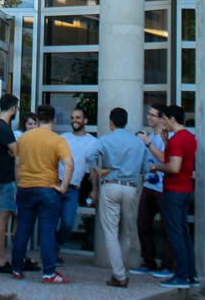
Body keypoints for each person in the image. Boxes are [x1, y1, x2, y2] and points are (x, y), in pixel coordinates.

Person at [11, 104, 73, 284]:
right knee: (47, 231)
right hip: (48, 188)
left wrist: (18, 185)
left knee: (23, 228)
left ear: (37, 119)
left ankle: (16, 268)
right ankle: (49, 273)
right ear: (54, 120)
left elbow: (17, 163)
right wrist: (63, 187)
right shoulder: (58, 140)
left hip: (25, 187)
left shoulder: (24, 138)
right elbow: (69, 164)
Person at [142, 103, 197, 289]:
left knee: (175, 233)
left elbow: (173, 167)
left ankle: (180, 276)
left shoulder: (177, 139)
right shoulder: (189, 137)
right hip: (186, 189)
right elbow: (176, 158)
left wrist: (155, 167)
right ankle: (191, 274)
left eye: (164, 119)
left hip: (174, 190)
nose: (162, 122)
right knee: (184, 232)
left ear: (172, 119)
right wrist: (165, 143)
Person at [93, 107, 146, 288]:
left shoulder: (105, 140)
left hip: (110, 185)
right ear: (126, 121)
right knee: (127, 232)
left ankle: (119, 274)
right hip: (130, 188)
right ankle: (119, 272)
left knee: (110, 231)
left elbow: (89, 156)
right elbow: (145, 169)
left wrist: (98, 170)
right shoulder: (138, 143)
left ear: (111, 122)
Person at [130, 105, 173, 278]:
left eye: (153, 115)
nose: (149, 117)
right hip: (149, 185)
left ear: (162, 119)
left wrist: (147, 143)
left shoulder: (167, 137)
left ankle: (167, 265)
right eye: (148, 114)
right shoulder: (152, 136)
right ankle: (149, 261)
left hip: (164, 187)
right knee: (142, 223)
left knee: (167, 227)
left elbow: (165, 158)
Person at [58, 107, 102, 246]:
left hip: (73, 188)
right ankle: (51, 254)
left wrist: (94, 190)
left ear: (85, 121)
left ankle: (56, 246)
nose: (74, 120)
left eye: (77, 117)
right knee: (50, 223)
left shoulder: (93, 142)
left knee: (68, 223)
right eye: (72, 118)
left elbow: (93, 168)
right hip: (56, 184)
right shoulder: (63, 138)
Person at [0, 94, 20, 273]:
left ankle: (11, 256)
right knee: (3, 218)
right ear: (13, 108)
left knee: (9, 216)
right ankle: (0, 260)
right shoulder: (2, 127)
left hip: (4, 177)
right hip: (7, 178)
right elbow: (17, 151)